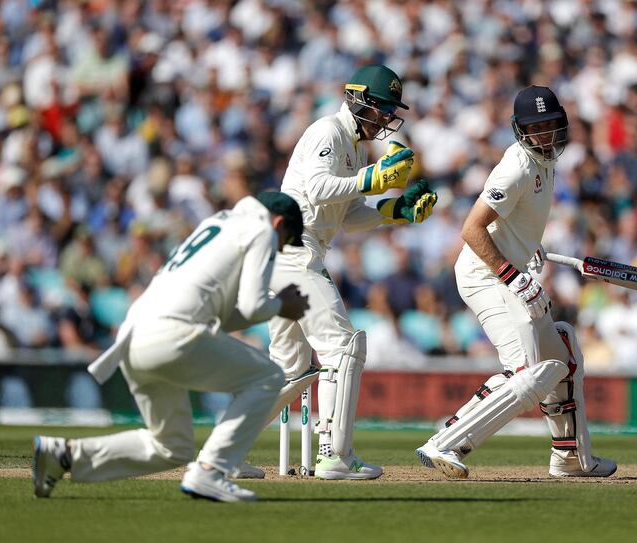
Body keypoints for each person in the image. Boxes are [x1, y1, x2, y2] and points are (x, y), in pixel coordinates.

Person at [32, 192, 310, 502]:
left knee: (172, 446)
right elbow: (253, 304)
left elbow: (225, 315)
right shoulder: (261, 230)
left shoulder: (218, 223)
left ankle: (64, 456)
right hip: (171, 334)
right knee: (269, 376)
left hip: (134, 336)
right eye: (285, 240)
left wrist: (273, 307)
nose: (281, 248)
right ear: (279, 223)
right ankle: (211, 470)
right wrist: (283, 305)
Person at [241, 64, 437, 480]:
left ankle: (224, 452)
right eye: (383, 108)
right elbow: (317, 188)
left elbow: (347, 214)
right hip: (294, 251)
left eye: (391, 111)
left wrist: (394, 210)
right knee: (343, 347)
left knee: (289, 370)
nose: (387, 118)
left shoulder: (357, 148)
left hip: (292, 254)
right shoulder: (326, 132)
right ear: (359, 100)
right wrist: (374, 179)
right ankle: (335, 455)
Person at [415, 86, 616, 479]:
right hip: (484, 276)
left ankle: (570, 458)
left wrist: (527, 246)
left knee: (564, 357)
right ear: (520, 130)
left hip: (509, 269)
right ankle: (445, 443)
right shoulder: (517, 167)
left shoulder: (546, 161)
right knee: (527, 370)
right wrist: (512, 274)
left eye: (551, 126)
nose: (545, 135)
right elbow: (471, 229)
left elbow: (514, 219)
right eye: (536, 128)